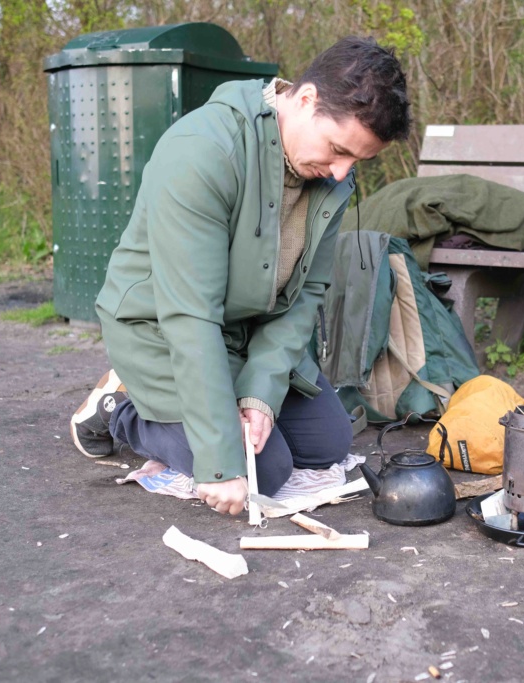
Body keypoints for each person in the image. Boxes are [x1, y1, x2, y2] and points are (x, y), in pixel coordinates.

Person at [69, 36, 412, 516]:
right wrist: (218, 461)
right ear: (307, 98)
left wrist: (259, 394)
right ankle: (120, 409)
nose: (342, 174)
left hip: (243, 330)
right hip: (161, 329)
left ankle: (218, 406)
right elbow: (190, 315)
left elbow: (305, 294)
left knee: (327, 443)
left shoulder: (332, 179)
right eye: (337, 150)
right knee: (260, 473)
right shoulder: (202, 151)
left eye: (358, 160)